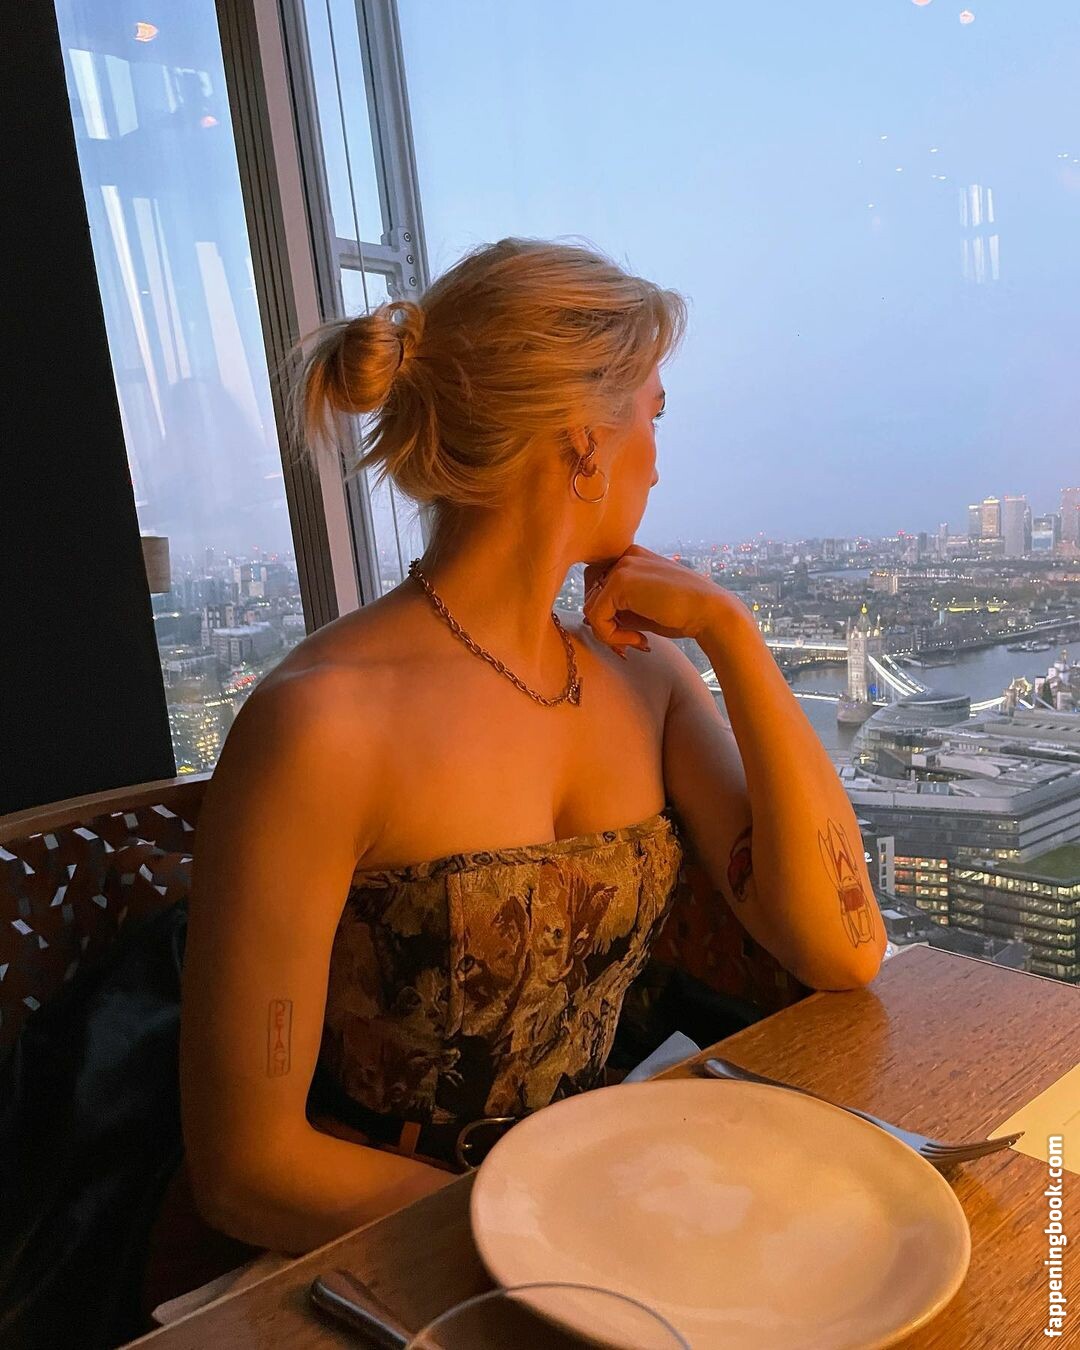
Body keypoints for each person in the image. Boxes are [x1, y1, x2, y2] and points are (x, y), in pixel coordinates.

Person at [180, 238, 886, 1261]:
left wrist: (733, 638)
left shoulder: (647, 680)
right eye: (653, 415)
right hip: (385, 1258)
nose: (659, 458)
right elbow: (248, 1171)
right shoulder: (321, 726)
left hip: (618, 1213)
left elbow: (844, 949)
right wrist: (550, 1240)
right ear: (583, 443)